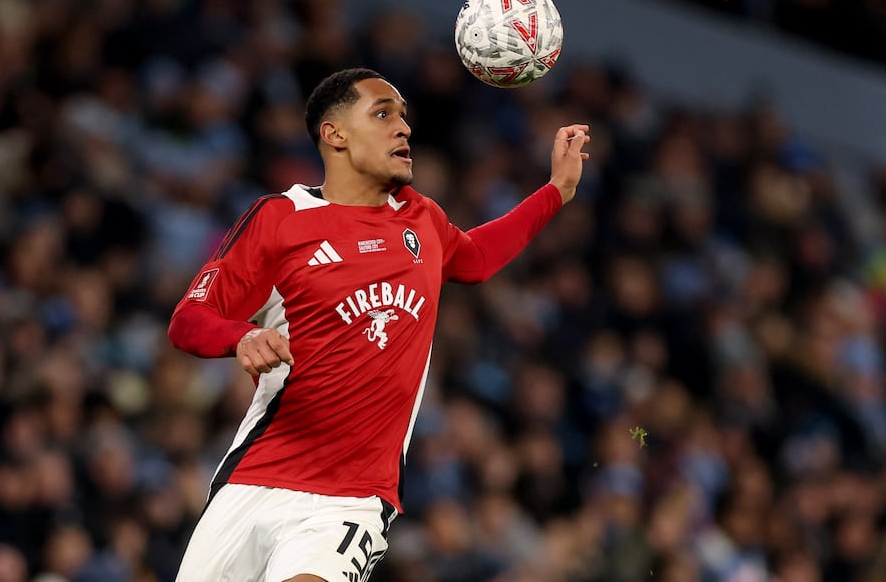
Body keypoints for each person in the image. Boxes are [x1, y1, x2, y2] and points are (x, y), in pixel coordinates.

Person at [168, 67, 590, 582]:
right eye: (383, 114)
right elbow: (189, 319)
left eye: (404, 117)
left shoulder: (421, 219)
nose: (403, 128)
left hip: (350, 499)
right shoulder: (280, 220)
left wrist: (557, 190)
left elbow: (477, 258)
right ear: (335, 134)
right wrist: (243, 336)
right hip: (252, 481)